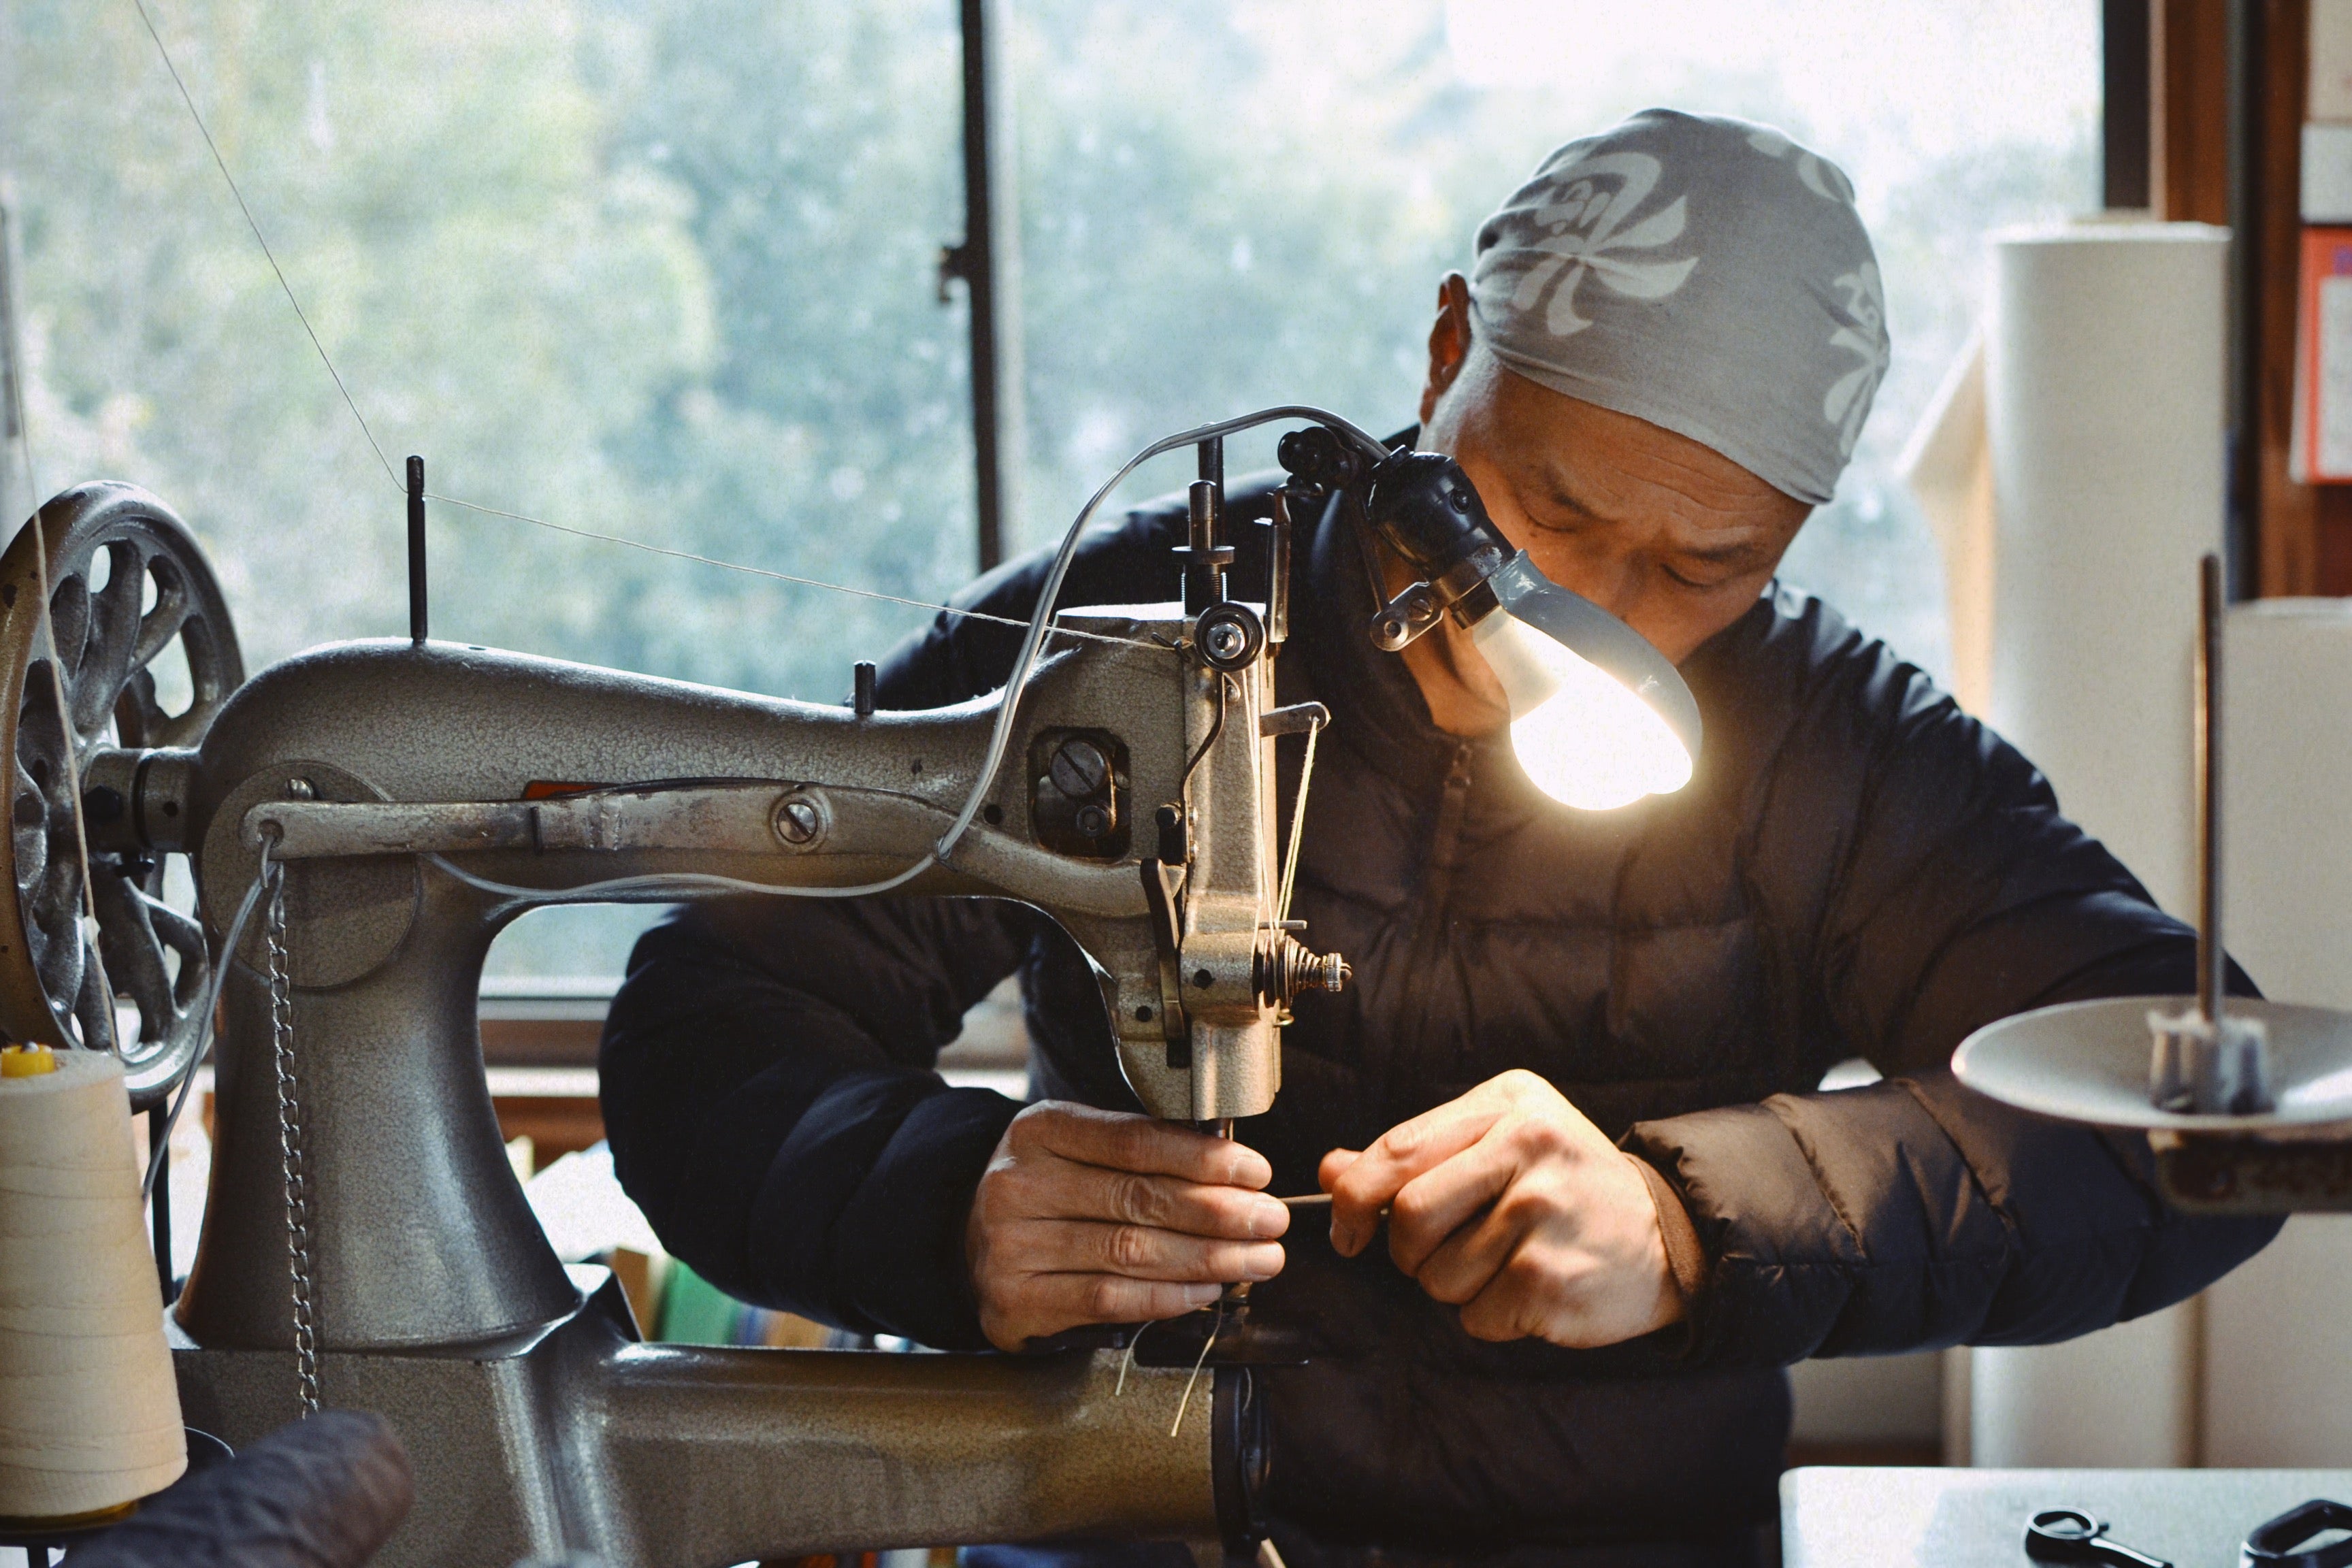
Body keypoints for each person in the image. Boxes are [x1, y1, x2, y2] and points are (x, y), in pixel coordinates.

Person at [598, 110, 2278, 1567]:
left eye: (1703, 572)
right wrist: (944, 1204)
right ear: (1447, 348)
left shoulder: (1839, 755)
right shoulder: (1125, 645)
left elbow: (2193, 1123)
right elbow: (711, 1022)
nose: (1593, 616)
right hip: (1119, 1537)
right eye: (1548, 517)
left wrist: (1698, 1216)